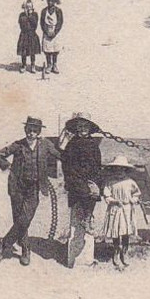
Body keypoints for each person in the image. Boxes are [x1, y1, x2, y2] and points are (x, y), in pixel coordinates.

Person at [0, 117, 60, 267]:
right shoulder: (18, 145)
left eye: (35, 131)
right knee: (19, 220)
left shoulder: (45, 145)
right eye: (29, 130)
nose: (31, 133)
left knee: (25, 219)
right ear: (25, 130)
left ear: (39, 132)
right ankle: (25, 250)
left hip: (33, 188)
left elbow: (60, 155)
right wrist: (7, 166)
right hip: (17, 187)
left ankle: (3, 245)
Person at [59, 113, 103, 268]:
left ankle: (88, 217)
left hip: (90, 180)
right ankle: (85, 218)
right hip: (76, 180)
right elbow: (67, 165)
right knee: (83, 194)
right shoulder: (72, 144)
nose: (83, 129)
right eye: (80, 127)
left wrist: (96, 182)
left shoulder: (93, 144)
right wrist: (78, 180)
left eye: (85, 127)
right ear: (76, 129)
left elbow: (97, 166)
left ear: (90, 129)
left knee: (94, 193)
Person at [101, 155, 141, 270]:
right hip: (115, 209)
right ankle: (116, 252)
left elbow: (136, 194)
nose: (119, 171)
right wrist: (113, 201)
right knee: (116, 231)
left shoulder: (130, 182)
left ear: (125, 170)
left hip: (127, 209)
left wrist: (132, 200)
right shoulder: (110, 182)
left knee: (125, 232)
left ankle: (124, 252)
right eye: (116, 169)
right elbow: (107, 195)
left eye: (121, 169)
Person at [40, 0, 63, 74]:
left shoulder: (58, 11)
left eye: (51, 1)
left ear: (54, 2)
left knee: (55, 49)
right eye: (48, 1)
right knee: (47, 50)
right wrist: (46, 32)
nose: (50, 2)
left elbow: (60, 22)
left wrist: (55, 32)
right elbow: (42, 23)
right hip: (46, 32)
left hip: (55, 32)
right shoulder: (43, 11)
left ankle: (55, 65)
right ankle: (49, 65)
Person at [17, 0, 40, 74]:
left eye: (30, 7)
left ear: (33, 7)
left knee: (32, 51)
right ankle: (23, 65)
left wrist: (30, 15)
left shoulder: (35, 14)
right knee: (23, 51)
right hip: (24, 34)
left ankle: (33, 65)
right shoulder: (21, 15)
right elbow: (21, 25)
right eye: (27, 7)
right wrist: (26, 14)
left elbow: (35, 24)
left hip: (32, 34)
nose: (29, 8)